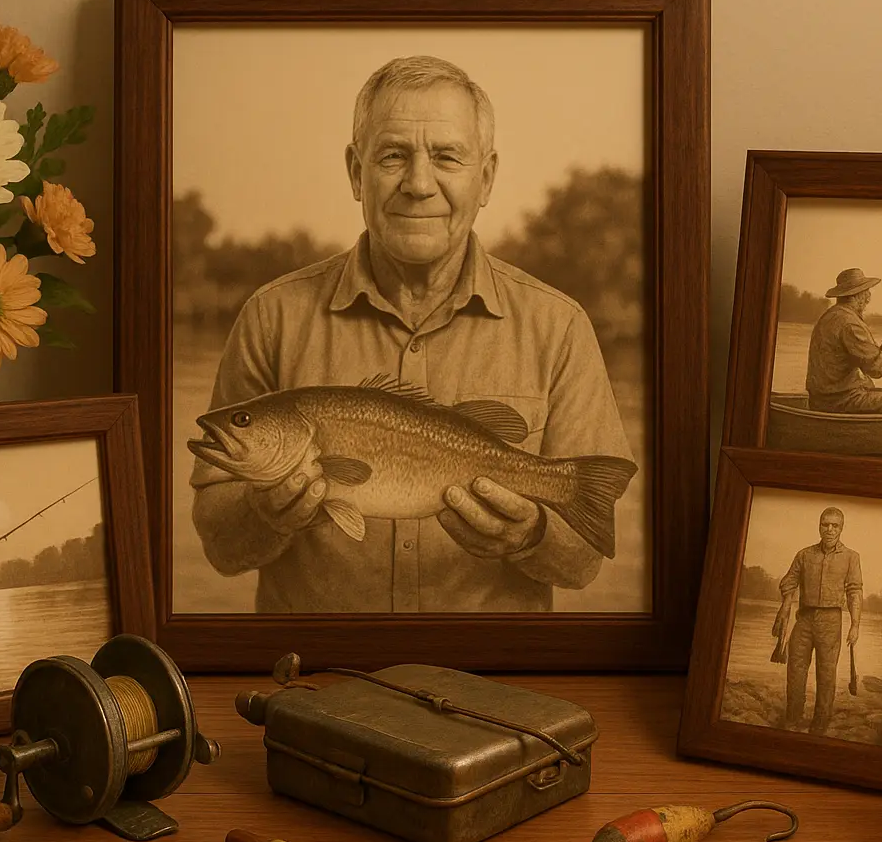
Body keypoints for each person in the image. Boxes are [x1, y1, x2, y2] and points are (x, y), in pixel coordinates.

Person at [190, 55, 634, 613]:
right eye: (393, 156)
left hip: (489, 685)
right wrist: (261, 514)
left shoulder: (561, 327)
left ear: (487, 178)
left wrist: (531, 534)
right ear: (356, 173)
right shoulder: (269, 317)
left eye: (447, 156)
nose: (419, 184)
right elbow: (220, 547)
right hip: (315, 679)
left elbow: (584, 562)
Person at [774, 507, 862, 735]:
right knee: (795, 669)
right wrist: (786, 603)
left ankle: (819, 725)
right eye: (825, 524)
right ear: (819, 526)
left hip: (831, 621)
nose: (830, 529)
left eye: (835, 525)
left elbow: (854, 592)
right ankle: (792, 719)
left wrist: (855, 625)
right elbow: (788, 581)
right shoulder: (804, 555)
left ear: (841, 528)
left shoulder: (852, 557)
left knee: (826, 674)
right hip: (804, 619)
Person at [805, 268, 882, 413]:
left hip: (822, 399)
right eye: (866, 291)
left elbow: (864, 359)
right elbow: (876, 369)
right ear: (855, 295)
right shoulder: (850, 323)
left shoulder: (831, 316)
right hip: (838, 401)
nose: (869, 297)